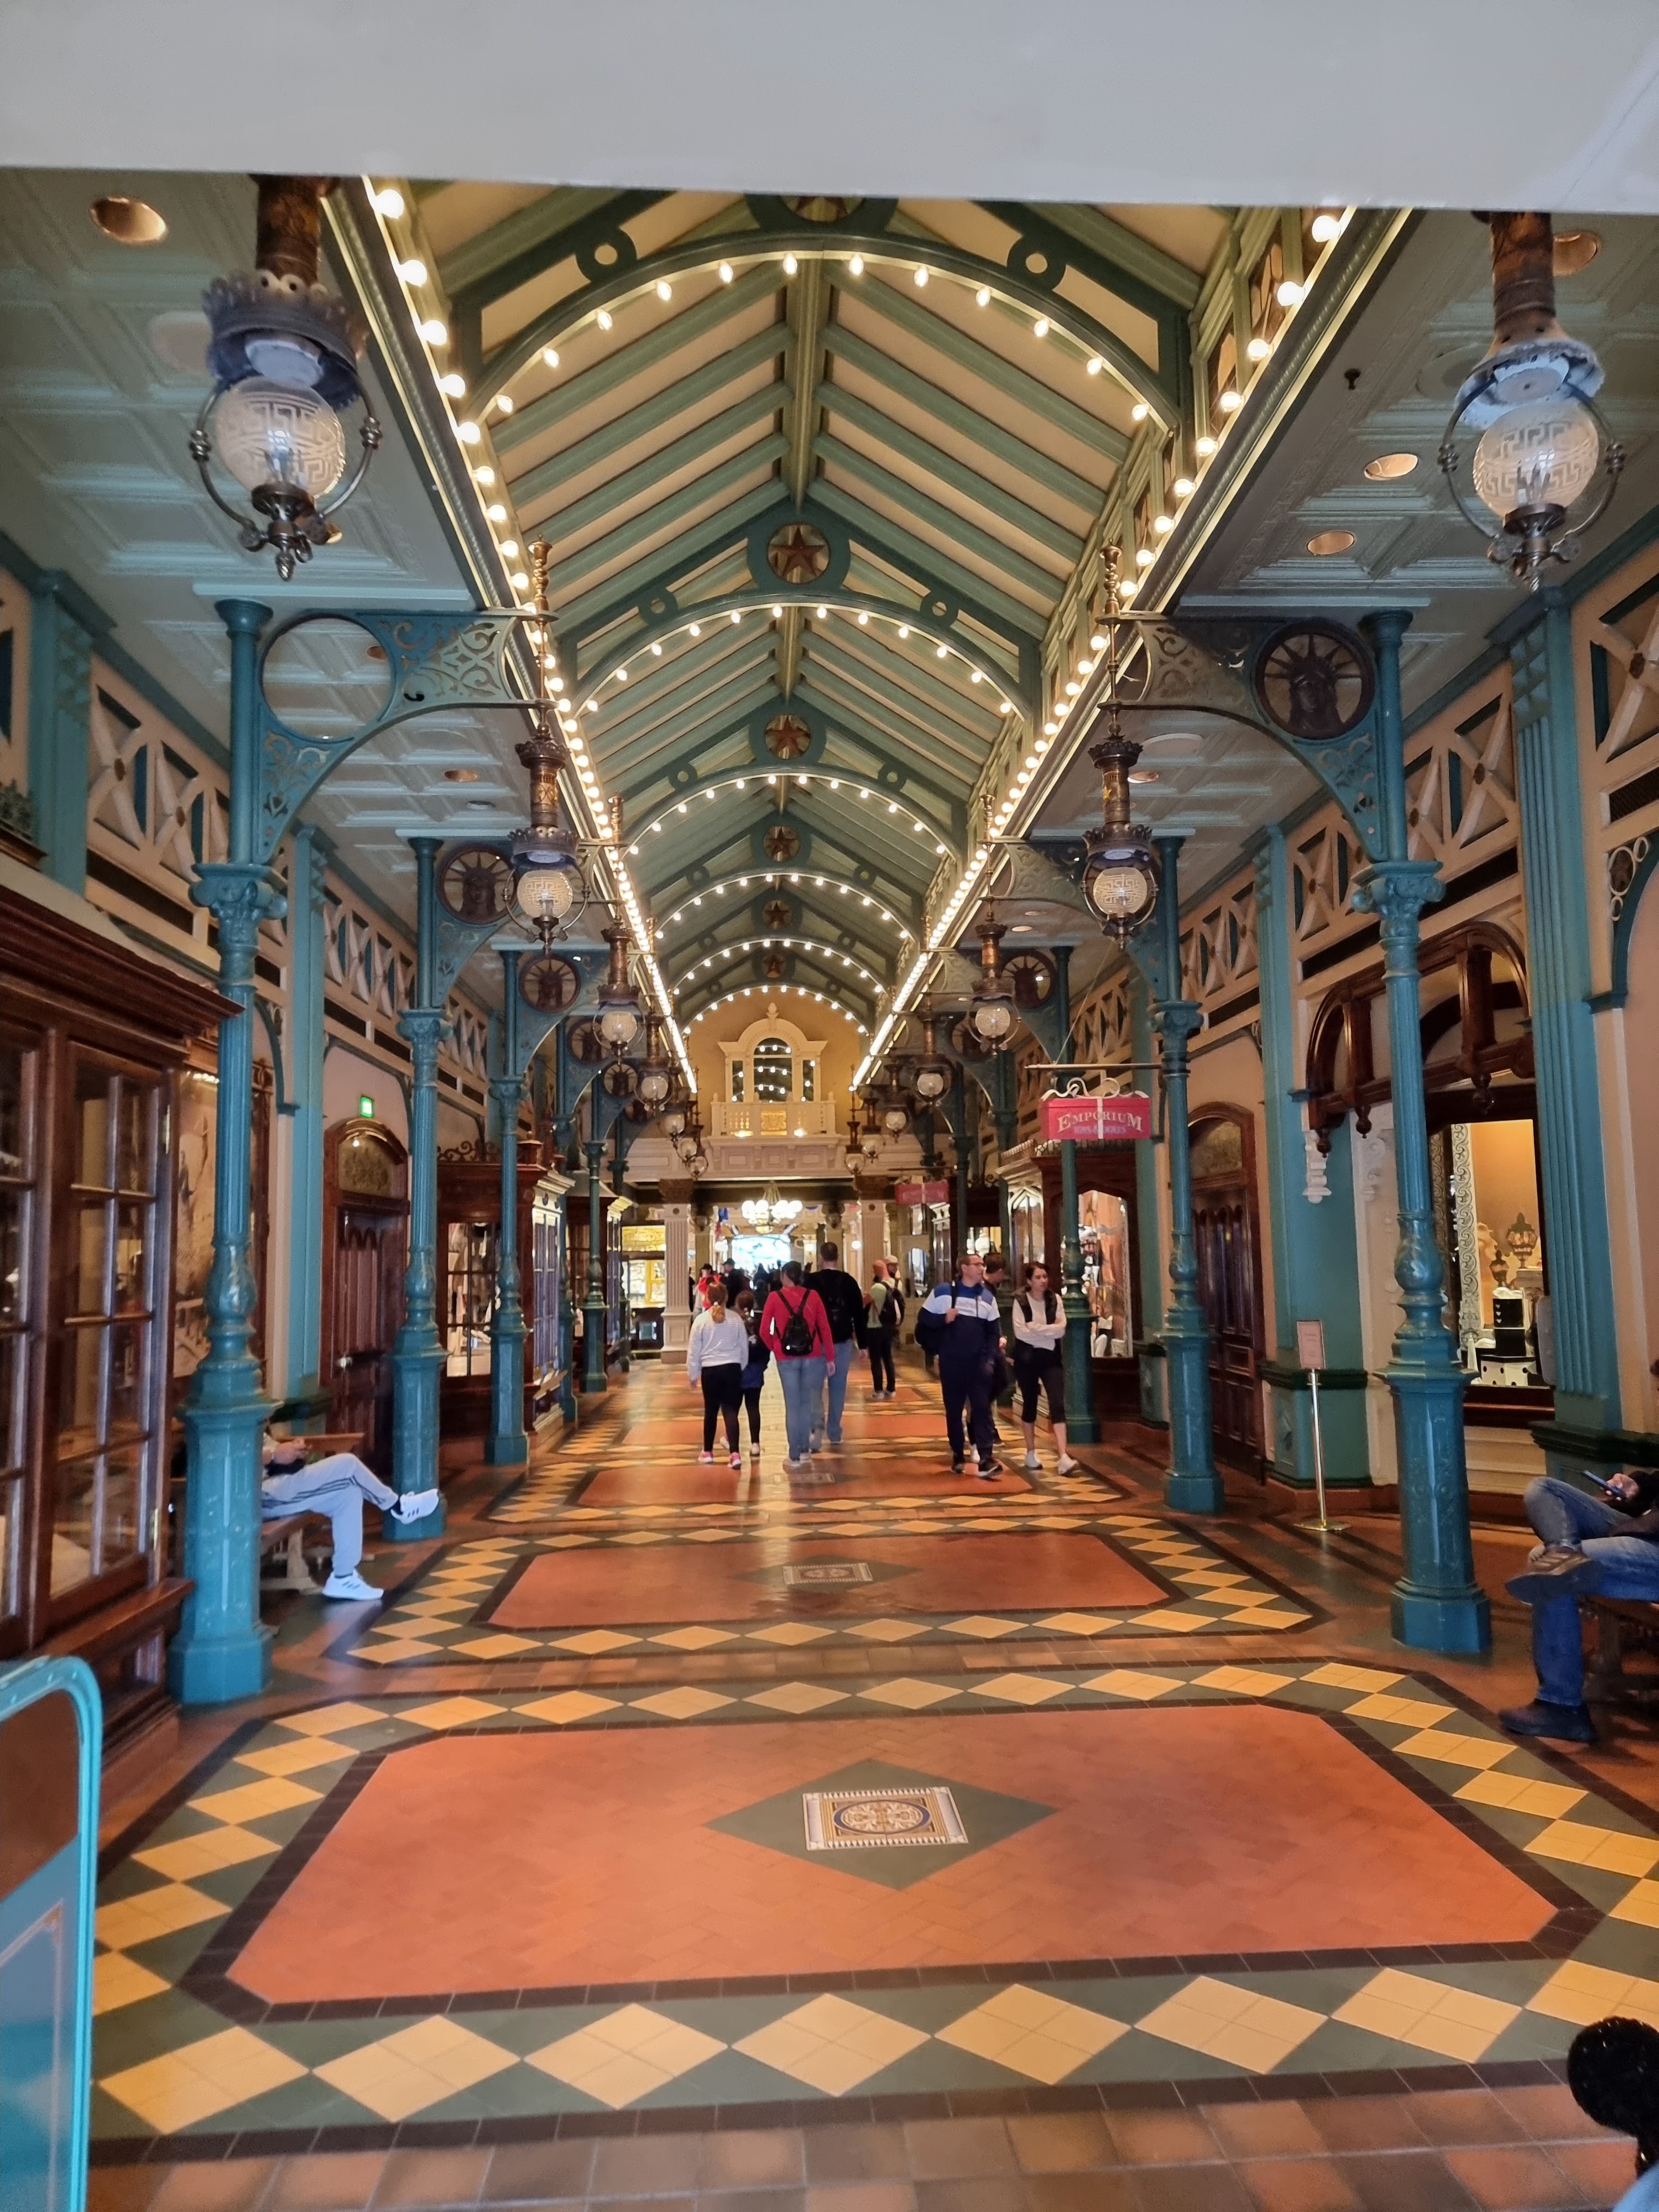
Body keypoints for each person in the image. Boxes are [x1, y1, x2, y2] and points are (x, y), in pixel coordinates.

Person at [1499, 1466, 1659, 1743]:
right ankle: (1564, 1551)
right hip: (1646, 1528)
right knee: (1543, 1489)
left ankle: (1562, 1706)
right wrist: (1639, 1487)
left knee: (1548, 1566)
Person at [259, 1438, 437, 1602]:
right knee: (348, 1464)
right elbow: (245, 1456)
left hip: (278, 1481)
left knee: (348, 1494)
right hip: (260, 1495)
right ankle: (398, 1507)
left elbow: (269, 1447)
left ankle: (343, 1577)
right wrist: (274, 1455)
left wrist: (293, 1449)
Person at [916, 1249, 1005, 1480]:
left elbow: (993, 1332)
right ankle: (958, 1453)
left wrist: (989, 1359)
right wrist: (943, 1318)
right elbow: (923, 1319)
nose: (982, 1268)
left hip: (978, 1364)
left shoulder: (988, 1297)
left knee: (982, 1409)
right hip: (952, 1362)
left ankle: (986, 1457)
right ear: (964, 1268)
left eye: (982, 1264)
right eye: (977, 1264)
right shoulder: (944, 1292)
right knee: (954, 1410)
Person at [760, 1259, 834, 1479]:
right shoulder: (813, 1296)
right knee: (806, 1404)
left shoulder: (775, 1297)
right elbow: (824, 1328)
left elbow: (764, 1330)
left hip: (786, 1358)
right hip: (812, 1355)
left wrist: (775, 1347)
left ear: (785, 1276)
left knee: (792, 1406)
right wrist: (830, 1357)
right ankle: (805, 1451)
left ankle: (794, 1455)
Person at [1011, 1261, 1080, 1474]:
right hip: (1027, 1359)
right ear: (1029, 1281)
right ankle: (1031, 1451)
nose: (1043, 1281)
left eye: (1045, 1277)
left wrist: (1036, 1328)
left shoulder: (1055, 1299)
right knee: (1030, 1402)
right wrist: (1048, 1330)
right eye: (1038, 1277)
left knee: (1057, 1403)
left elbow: (1061, 1330)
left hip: (1051, 1358)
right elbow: (1021, 1333)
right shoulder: (1020, 1301)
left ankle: (1063, 1456)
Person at [805, 1239, 866, 1451]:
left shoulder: (810, 1281)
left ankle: (817, 1427)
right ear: (838, 1258)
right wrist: (863, 1344)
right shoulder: (849, 1282)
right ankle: (834, 1431)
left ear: (820, 1258)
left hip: (817, 1341)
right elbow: (859, 1315)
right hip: (842, 1340)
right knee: (838, 1386)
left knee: (814, 1386)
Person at [686, 1279, 749, 1468]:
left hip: (710, 1372)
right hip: (732, 1369)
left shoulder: (700, 1321)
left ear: (706, 1298)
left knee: (711, 1411)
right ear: (726, 1298)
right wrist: (741, 1366)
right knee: (731, 1412)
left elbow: (694, 1351)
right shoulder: (736, 1319)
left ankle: (707, 1452)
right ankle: (735, 1454)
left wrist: (693, 1374)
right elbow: (743, 1347)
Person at [735, 1288, 769, 1458]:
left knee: (733, 1408)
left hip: (738, 1371)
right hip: (755, 1371)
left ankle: (732, 1442)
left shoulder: (735, 1324)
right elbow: (766, 1347)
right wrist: (763, 1366)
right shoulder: (758, 1324)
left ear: (738, 1306)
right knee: (753, 1407)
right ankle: (755, 1443)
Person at [865, 1259, 903, 1399]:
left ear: (877, 1271)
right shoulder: (898, 1284)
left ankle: (879, 1391)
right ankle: (891, 1389)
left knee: (876, 1359)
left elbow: (864, 1303)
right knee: (888, 1357)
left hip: (875, 1326)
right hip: (890, 1326)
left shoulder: (877, 1288)